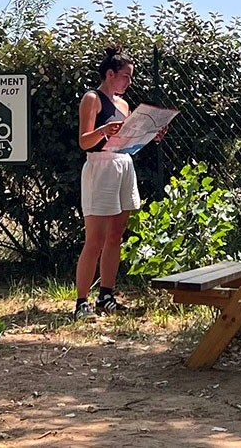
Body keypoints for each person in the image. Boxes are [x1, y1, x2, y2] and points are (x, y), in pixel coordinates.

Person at [74, 45, 164, 320]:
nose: (129, 82)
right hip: (100, 167)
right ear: (110, 74)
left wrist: (151, 135)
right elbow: (84, 141)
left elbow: (126, 140)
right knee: (95, 239)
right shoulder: (93, 99)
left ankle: (107, 295)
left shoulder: (124, 105)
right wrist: (102, 130)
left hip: (124, 165)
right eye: (125, 76)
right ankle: (81, 302)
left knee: (116, 236)